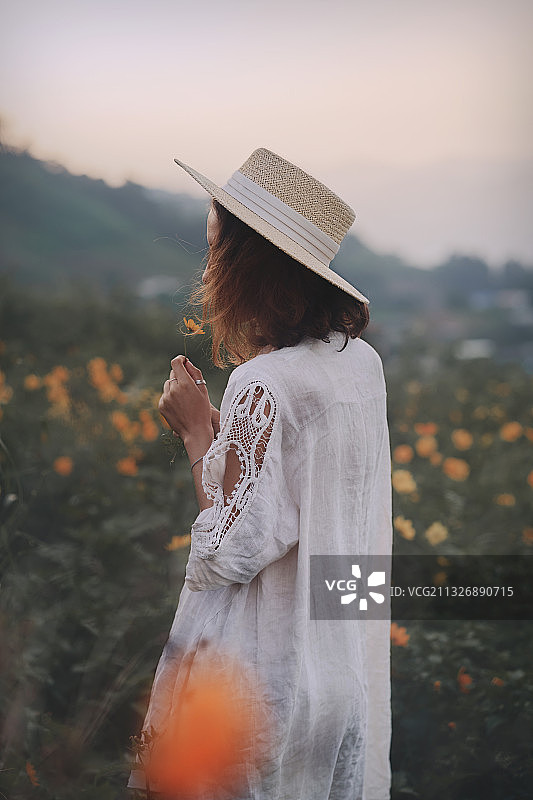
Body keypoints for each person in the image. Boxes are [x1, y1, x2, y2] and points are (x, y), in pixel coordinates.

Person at [127, 148, 392, 800]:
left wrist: (195, 433)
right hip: (335, 673)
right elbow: (310, 492)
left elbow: (228, 552)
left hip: (259, 683)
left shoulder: (264, 382)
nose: (208, 268)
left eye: (216, 249)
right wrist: (233, 439)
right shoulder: (360, 365)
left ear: (250, 266)